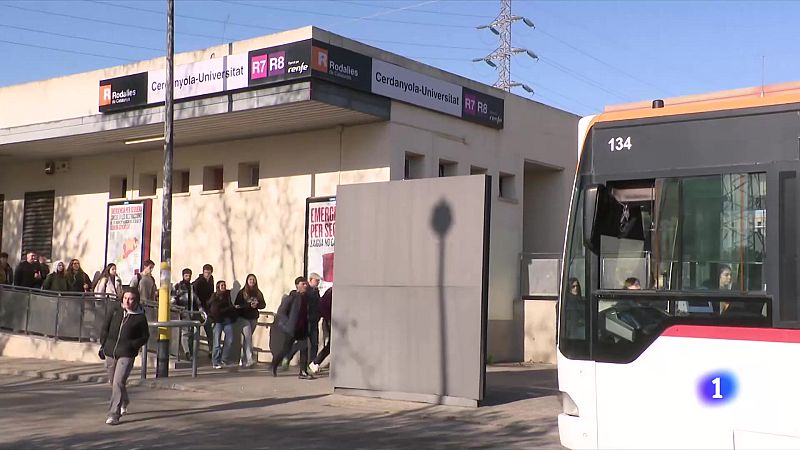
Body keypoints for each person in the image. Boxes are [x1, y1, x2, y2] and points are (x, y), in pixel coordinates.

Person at [99, 287, 149, 425]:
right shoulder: (115, 310)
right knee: (113, 382)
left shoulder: (139, 316)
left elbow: (145, 336)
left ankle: (113, 414)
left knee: (118, 381)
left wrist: (133, 345)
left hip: (126, 353)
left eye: (131, 299)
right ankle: (124, 400)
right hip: (110, 351)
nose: (128, 301)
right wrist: (103, 345)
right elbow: (105, 328)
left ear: (136, 300)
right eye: (126, 298)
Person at [270, 276, 313, 379]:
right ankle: (275, 364)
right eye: (303, 284)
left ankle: (303, 371)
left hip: (302, 328)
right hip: (292, 328)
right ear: (297, 285)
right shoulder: (292, 297)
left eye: (306, 284)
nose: (305, 286)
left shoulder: (307, 297)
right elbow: (282, 312)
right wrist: (287, 324)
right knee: (286, 349)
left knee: (304, 348)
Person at [234, 274, 266, 369]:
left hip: (253, 317)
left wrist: (257, 305)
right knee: (248, 337)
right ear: (247, 281)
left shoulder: (258, 293)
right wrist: (248, 305)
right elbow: (237, 305)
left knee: (247, 339)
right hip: (243, 318)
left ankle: (243, 359)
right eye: (250, 279)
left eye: (253, 280)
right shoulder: (242, 292)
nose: (252, 281)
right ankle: (249, 359)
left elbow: (263, 304)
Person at [173, 268, 201, 360]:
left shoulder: (192, 287)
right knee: (185, 333)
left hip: (192, 312)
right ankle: (187, 353)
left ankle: (191, 352)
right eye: (186, 275)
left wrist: (200, 308)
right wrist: (178, 309)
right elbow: (173, 299)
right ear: (183, 276)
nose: (188, 277)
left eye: (189, 276)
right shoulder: (178, 286)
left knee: (192, 334)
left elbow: (196, 299)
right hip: (183, 312)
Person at [208, 280, 236, 369]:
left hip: (227, 320)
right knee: (217, 342)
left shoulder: (227, 295)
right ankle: (215, 361)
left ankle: (224, 359)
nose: (223, 287)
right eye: (221, 285)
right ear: (218, 287)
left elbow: (231, 307)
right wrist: (228, 309)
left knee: (230, 339)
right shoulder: (215, 296)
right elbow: (216, 310)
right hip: (217, 321)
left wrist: (230, 310)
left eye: (224, 285)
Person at [192, 264, 215, 356]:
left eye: (209, 273)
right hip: (199, 309)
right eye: (206, 273)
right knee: (196, 331)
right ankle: (194, 351)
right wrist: (199, 307)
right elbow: (195, 295)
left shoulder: (211, 281)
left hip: (207, 309)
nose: (207, 275)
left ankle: (211, 350)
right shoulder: (199, 282)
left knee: (209, 331)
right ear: (203, 272)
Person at [308, 287, 332, 374]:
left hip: (330, 320)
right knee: (331, 345)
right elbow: (323, 306)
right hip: (330, 321)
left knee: (331, 345)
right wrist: (328, 318)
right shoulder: (331, 292)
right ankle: (315, 362)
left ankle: (315, 362)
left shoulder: (331, 291)